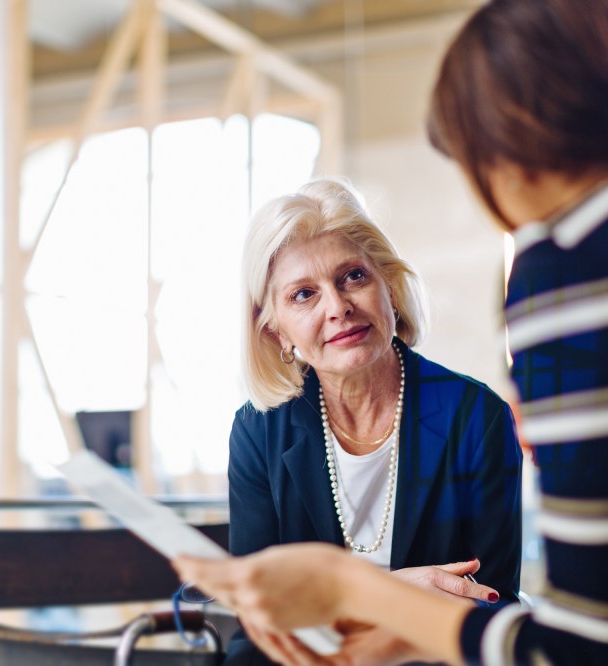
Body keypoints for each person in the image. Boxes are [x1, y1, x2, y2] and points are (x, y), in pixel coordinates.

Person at [174, 1, 608, 665]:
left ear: (501, 154)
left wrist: (352, 590)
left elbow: (594, 644)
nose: (338, 307)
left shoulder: (575, 271)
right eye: (304, 294)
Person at [223, 178, 523, 664]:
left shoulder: (477, 418)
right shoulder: (258, 431)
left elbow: (487, 604)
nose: (337, 307)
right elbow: (263, 616)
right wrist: (388, 594)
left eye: (353, 277)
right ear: (274, 327)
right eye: (303, 294)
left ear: (391, 287)